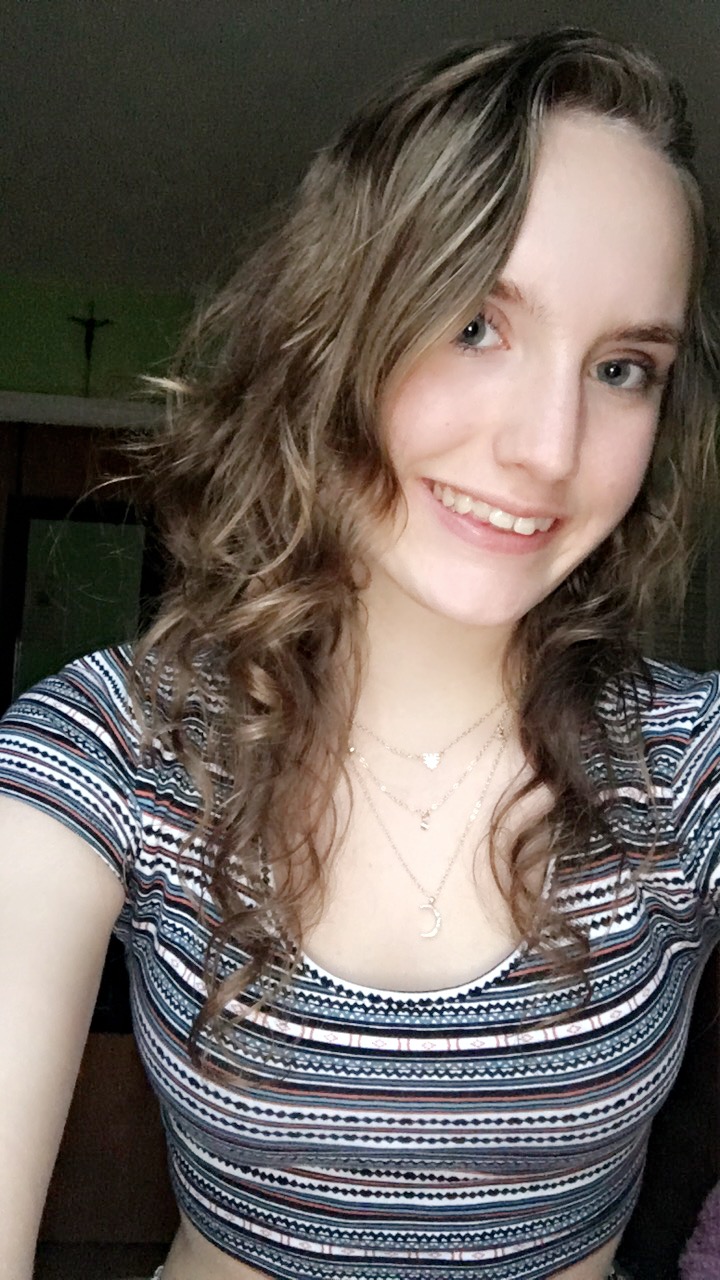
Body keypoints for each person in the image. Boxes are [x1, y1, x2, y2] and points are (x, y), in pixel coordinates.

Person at [0, 25, 718, 1280]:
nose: (550, 447)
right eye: (477, 324)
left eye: (622, 368)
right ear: (337, 329)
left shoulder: (689, 764)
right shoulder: (111, 752)